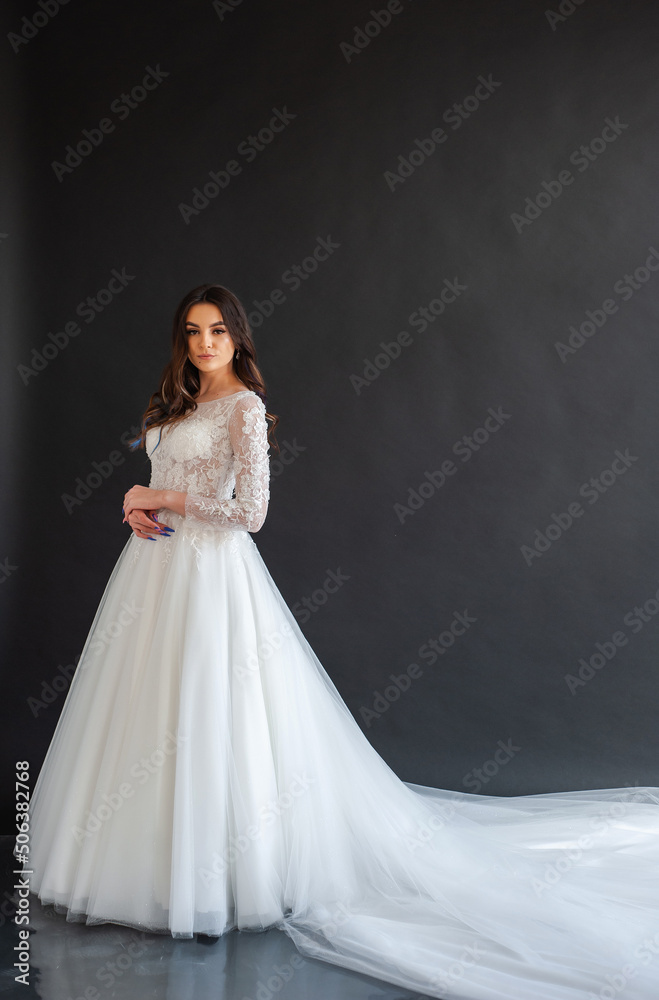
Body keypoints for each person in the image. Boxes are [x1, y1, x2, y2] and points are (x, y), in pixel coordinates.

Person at [22, 284, 659, 1000]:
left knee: (211, 713)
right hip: (152, 571)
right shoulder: (174, 403)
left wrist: (163, 499)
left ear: (237, 337)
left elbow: (252, 512)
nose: (204, 344)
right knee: (145, 711)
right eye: (193, 332)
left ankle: (217, 879)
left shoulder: (244, 407)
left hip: (210, 578)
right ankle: (137, 866)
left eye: (217, 331)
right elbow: (155, 478)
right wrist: (134, 503)